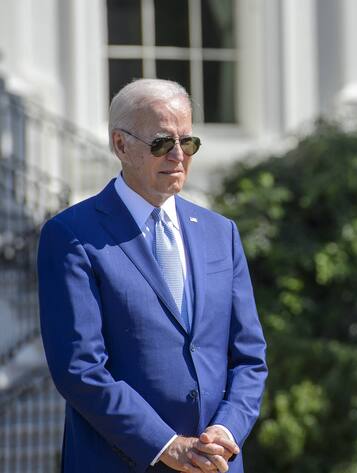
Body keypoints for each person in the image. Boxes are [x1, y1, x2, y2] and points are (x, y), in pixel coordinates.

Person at [38, 79, 267, 472]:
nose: (178, 155)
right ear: (121, 145)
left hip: (216, 462)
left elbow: (249, 357)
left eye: (188, 142)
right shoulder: (72, 235)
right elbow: (80, 369)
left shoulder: (221, 232)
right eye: (162, 143)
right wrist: (165, 445)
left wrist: (225, 431)